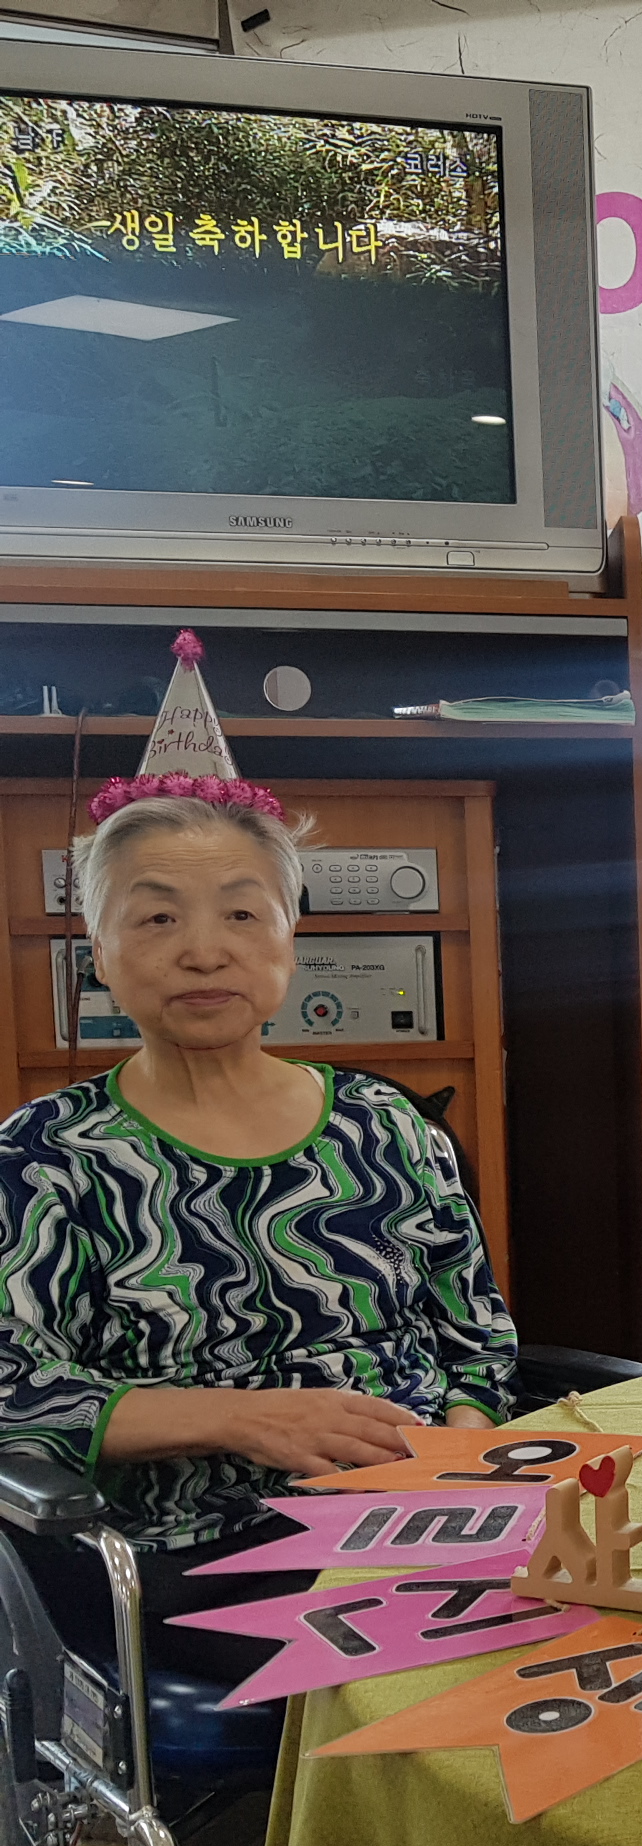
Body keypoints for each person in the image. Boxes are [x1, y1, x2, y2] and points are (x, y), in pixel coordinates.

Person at [0, 634, 515, 1679]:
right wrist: (241, 1419)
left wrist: (462, 1460)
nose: (205, 949)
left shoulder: (386, 1125)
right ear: (98, 951)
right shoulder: (46, 1158)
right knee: (425, 1677)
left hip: (428, 1512)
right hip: (196, 1553)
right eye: (156, 917)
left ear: (289, 935)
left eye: (242, 911)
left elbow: (478, 1342)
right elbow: (15, 1390)